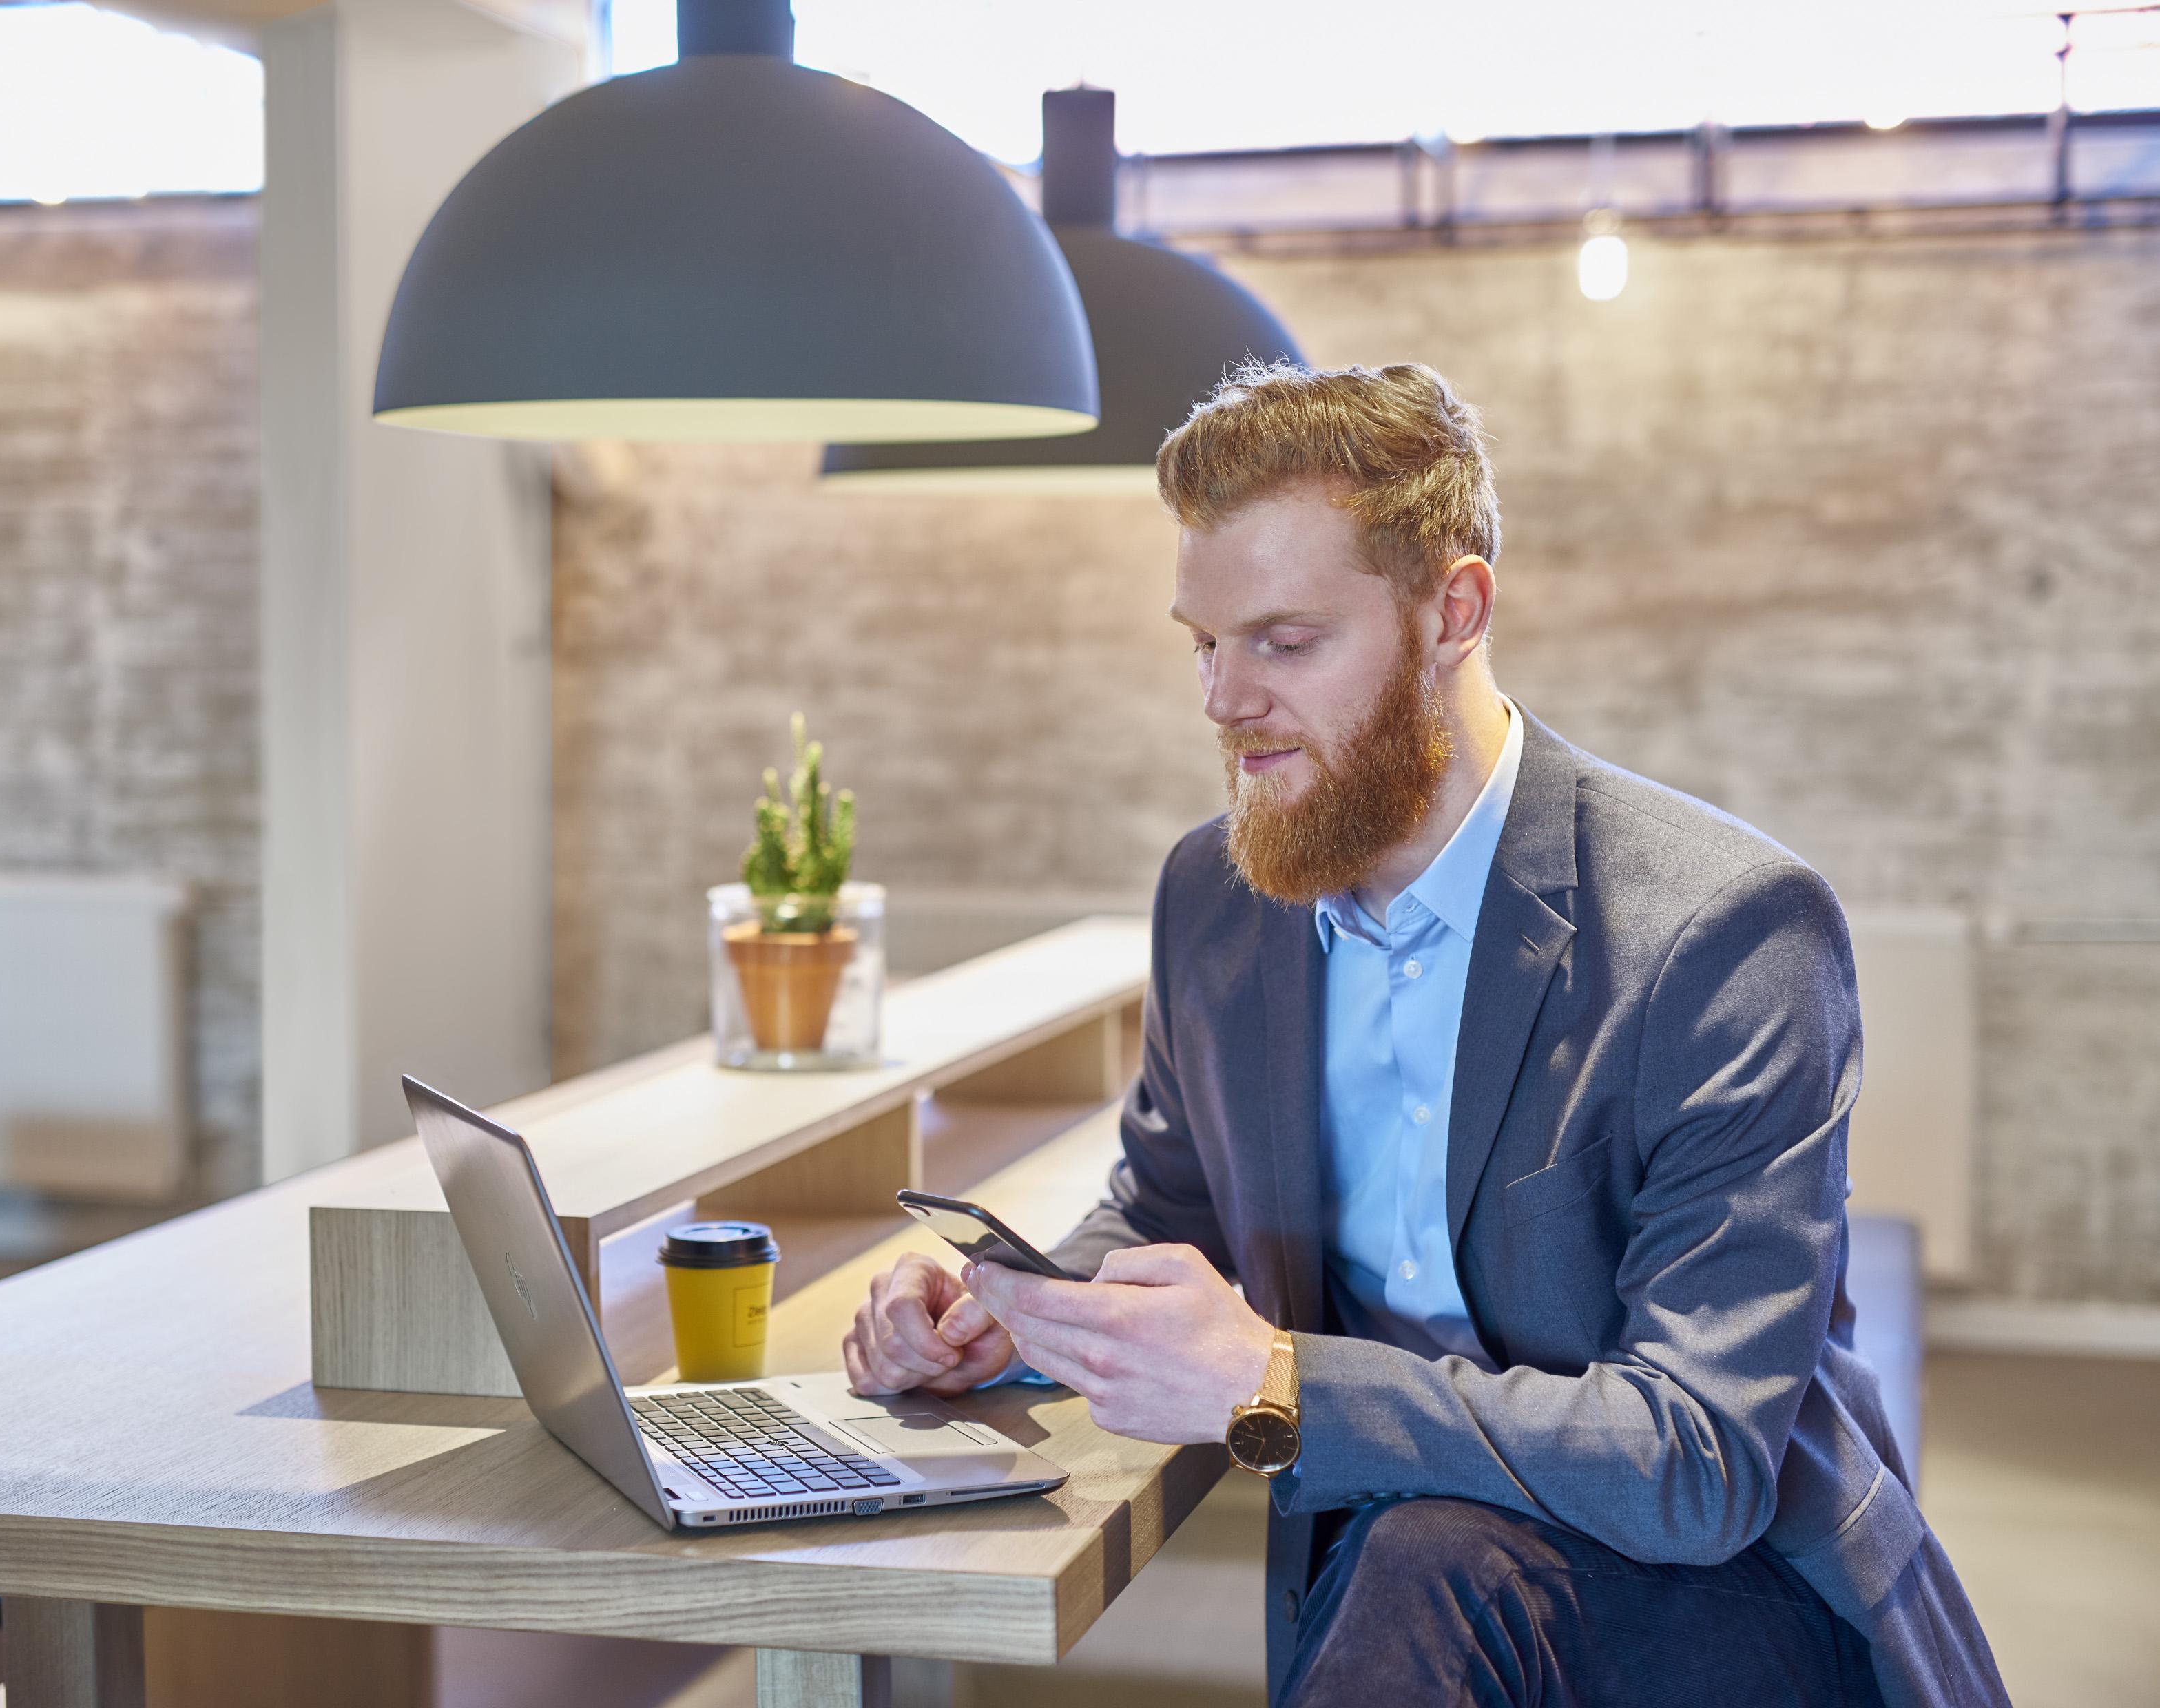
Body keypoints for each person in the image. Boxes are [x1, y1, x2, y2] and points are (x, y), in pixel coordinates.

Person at [841, 362, 2007, 1708]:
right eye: (1201, 643)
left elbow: (1697, 1459)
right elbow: (1174, 1210)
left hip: (1722, 1602)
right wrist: (1017, 1313)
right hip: (1413, 1588)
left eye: (1282, 642)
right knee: (1420, 1554)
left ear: (1452, 612)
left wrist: (1276, 1378)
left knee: (1426, 1557)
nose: (1223, 701)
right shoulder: (1216, 902)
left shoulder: (1725, 935)